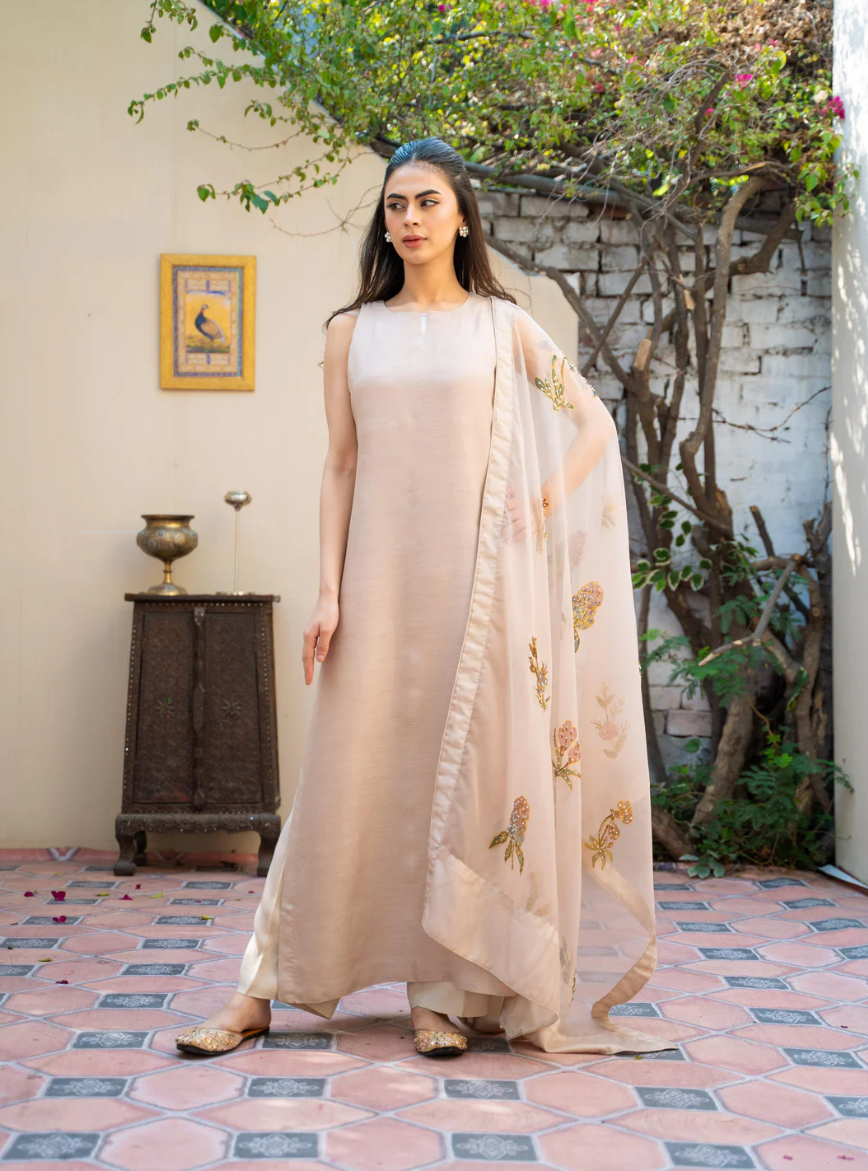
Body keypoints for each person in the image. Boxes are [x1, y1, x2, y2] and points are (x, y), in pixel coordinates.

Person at [175, 137, 672, 1060]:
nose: (409, 219)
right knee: (346, 777)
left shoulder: (504, 327)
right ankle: (260, 988)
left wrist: (542, 500)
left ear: (463, 217)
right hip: (377, 585)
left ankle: (436, 996)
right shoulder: (352, 332)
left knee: (461, 785)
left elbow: (594, 423)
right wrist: (329, 591)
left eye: (428, 202)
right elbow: (341, 465)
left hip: (480, 594)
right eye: (396, 205)